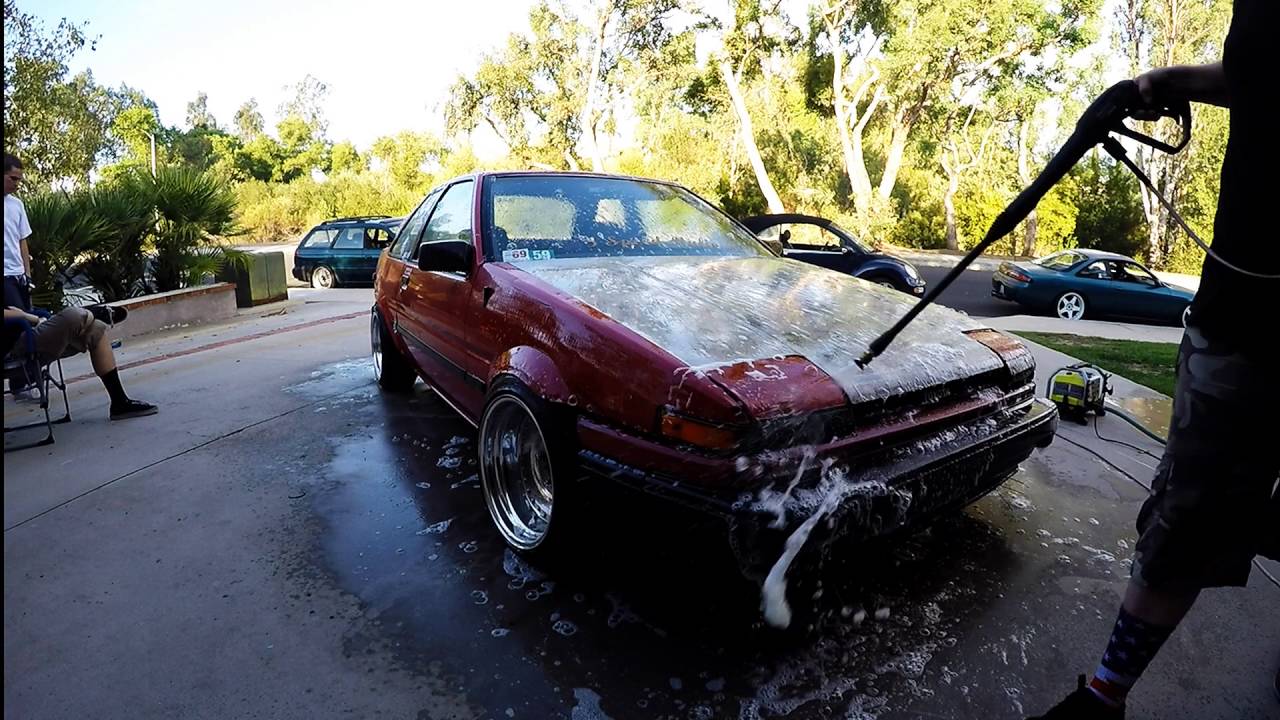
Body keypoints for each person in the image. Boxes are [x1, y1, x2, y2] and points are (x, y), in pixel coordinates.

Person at [1030, 1, 1278, 718]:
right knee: (1187, 518)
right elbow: (1259, 72)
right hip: (1245, 311)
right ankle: (1105, 698)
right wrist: (1179, 78)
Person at [4, 305, 157, 420]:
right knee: (73, 316)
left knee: (96, 328)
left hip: (29, 336)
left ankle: (119, 402)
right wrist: (31, 317)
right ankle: (94, 313)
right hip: (15, 346)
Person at [4, 153, 34, 312]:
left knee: (29, 319)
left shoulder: (17, 205)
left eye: (19, 180)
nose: (17, 184)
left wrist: (27, 275)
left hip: (19, 275)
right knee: (19, 322)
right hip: (5, 276)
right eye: (13, 178)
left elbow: (22, 240)